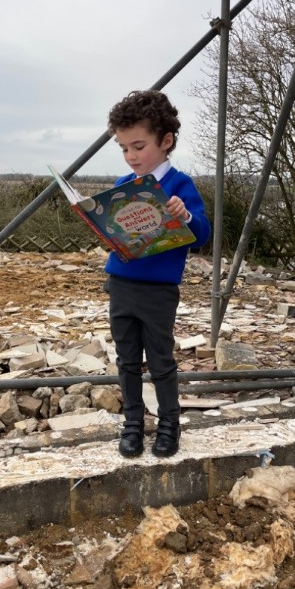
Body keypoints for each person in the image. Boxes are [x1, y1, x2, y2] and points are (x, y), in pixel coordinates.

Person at [105, 89, 211, 459]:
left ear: (165, 141)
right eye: (124, 148)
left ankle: (169, 424)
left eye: (138, 146)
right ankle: (133, 423)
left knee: (161, 360)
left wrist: (186, 216)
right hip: (121, 284)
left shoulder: (180, 186)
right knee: (127, 359)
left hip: (158, 291)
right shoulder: (122, 185)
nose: (131, 156)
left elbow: (203, 235)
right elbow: (116, 233)